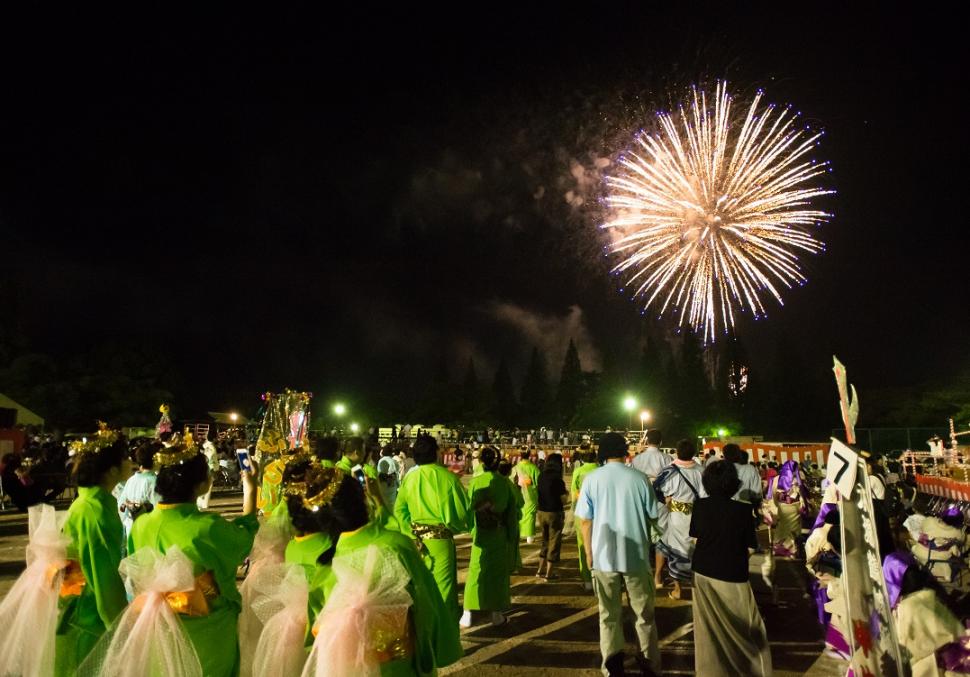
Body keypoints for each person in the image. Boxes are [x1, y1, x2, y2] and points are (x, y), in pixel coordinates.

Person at [301, 468, 463, 675]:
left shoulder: (324, 565)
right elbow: (426, 603)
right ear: (362, 501)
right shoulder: (394, 546)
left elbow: (315, 631)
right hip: (399, 666)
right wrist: (441, 649)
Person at [129, 443, 259, 676]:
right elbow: (244, 541)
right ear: (200, 485)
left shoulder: (141, 525)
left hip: (159, 627)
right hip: (208, 630)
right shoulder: (207, 527)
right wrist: (250, 490)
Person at [576, 432, 661, 676]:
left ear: (602, 452)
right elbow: (654, 516)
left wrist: (589, 553)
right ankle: (649, 664)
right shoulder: (639, 479)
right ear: (624, 451)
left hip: (604, 556)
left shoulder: (592, 479)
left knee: (608, 615)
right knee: (643, 616)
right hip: (636, 556)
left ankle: (613, 665)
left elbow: (585, 522)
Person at [54, 434, 132, 676]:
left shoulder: (91, 501)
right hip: (88, 621)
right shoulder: (95, 512)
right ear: (111, 471)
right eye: (125, 458)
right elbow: (103, 578)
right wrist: (121, 629)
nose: (131, 462)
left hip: (80, 613)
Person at [690, 460, 772, 677]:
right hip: (734, 574)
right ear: (733, 483)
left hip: (703, 573)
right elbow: (750, 546)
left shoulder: (700, 506)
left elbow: (696, 540)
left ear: (707, 482)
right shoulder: (743, 511)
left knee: (707, 632)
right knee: (747, 631)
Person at [394, 435, 469, 619]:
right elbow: (463, 512)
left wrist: (409, 532)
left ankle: (423, 631)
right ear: (435, 453)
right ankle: (443, 634)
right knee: (443, 589)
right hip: (440, 540)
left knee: (420, 587)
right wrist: (456, 527)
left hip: (415, 541)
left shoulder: (409, 479)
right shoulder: (447, 477)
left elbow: (400, 510)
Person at [461, 446, 515, 628]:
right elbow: (511, 511)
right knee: (497, 574)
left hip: (480, 533)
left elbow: (469, 509)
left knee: (476, 571)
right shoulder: (504, 483)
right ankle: (496, 614)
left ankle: (467, 613)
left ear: (481, 462)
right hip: (498, 532)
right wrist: (511, 533)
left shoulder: (476, 482)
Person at [653, 439, 706, 599]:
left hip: (676, 516)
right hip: (697, 516)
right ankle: (697, 587)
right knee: (695, 551)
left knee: (676, 550)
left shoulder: (669, 471)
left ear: (677, 451)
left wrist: (665, 500)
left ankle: (677, 589)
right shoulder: (701, 471)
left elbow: (656, 489)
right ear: (694, 453)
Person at [117, 442, 159, 543]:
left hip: (131, 527)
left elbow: (121, 504)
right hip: (147, 530)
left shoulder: (131, 480)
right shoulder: (155, 481)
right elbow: (159, 508)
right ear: (156, 460)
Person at [535, 452, 568, 579]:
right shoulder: (558, 479)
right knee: (554, 542)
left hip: (541, 512)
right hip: (554, 513)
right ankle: (549, 574)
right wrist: (566, 493)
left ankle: (539, 570)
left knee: (544, 540)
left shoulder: (541, 475)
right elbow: (564, 500)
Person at [764, 460, 806, 557]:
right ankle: (792, 549)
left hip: (782, 507)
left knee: (781, 527)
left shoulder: (776, 479)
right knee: (793, 529)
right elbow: (802, 495)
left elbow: (772, 495)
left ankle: (779, 548)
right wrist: (802, 505)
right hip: (794, 507)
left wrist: (776, 506)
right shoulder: (797, 479)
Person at [570, 444, 598, 590]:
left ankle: (587, 581)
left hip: (582, 514)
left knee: (583, 547)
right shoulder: (601, 470)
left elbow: (574, 495)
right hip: (601, 514)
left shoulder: (578, 471)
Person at [497, 458, 524, 572]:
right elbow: (520, 502)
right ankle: (512, 565)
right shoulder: (510, 485)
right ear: (509, 472)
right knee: (512, 544)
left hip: (497, 520)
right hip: (511, 519)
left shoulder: (494, 483)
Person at [514, 448, 540, 544]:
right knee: (530, 515)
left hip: (518, 494)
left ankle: (519, 534)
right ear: (529, 455)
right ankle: (529, 537)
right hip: (531, 495)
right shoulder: (534, 468)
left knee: (519, 514)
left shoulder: (515, 468)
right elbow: (538, 482)